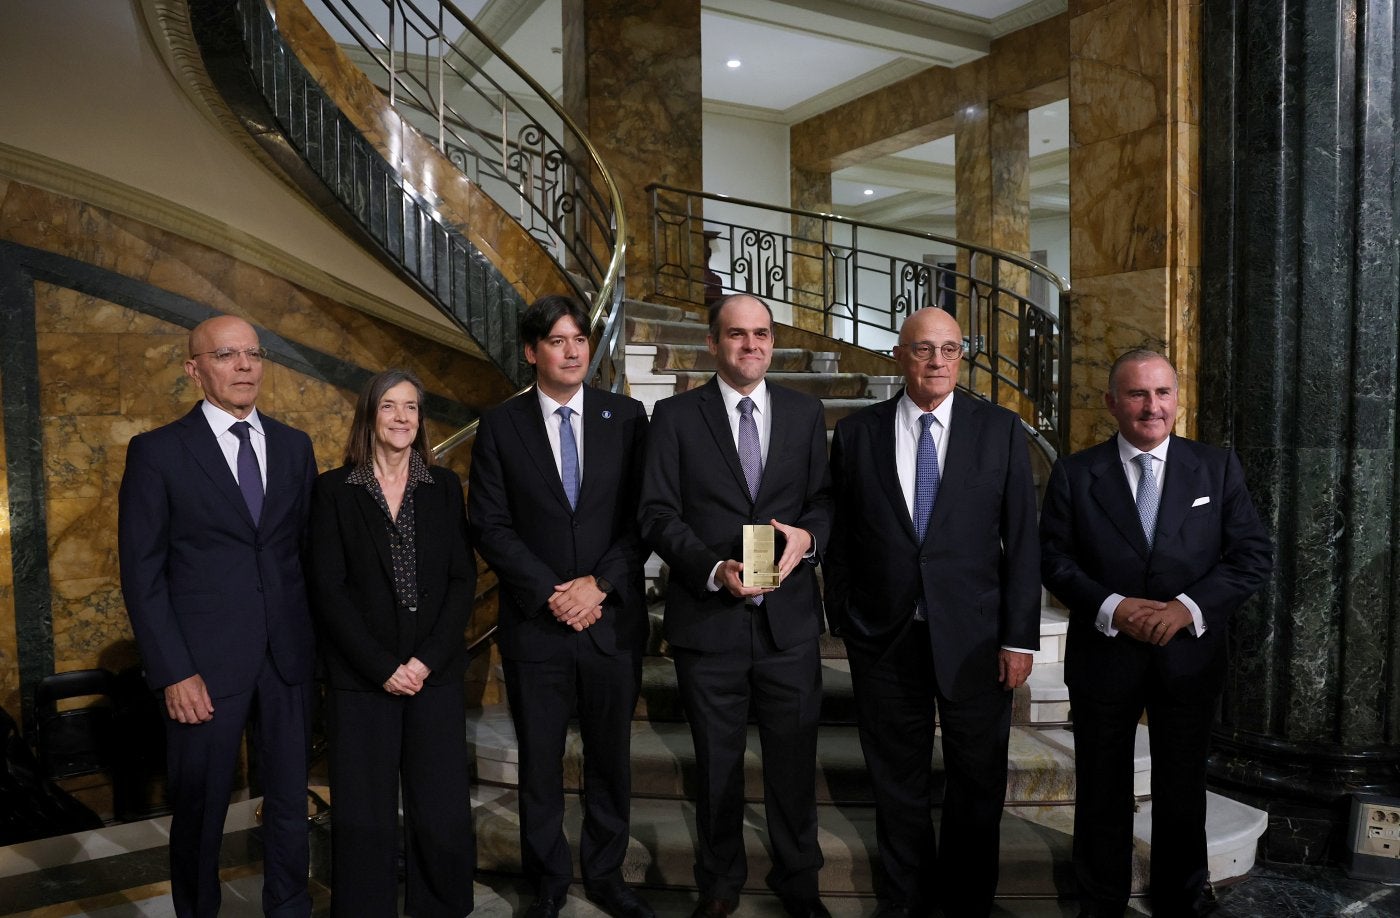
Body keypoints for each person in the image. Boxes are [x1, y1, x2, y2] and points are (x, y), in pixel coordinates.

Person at [823, 306, 1040, 917]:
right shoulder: (858, 432)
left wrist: (1020, 637)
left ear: (961, 355)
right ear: (899, 355)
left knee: (977, 779)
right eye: (923, 349)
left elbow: (1022, 540)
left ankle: (966, 901)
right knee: (897, 782)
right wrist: (842, 613)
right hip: (883, 636)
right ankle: (904, 900)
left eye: (948, 348)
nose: (936, 360)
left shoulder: (999, 429)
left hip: (976, 637)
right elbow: (843, 534)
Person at [1039, 349, 1272, 918]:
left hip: (1187, 658)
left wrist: (1187, 608)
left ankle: (1180, 902)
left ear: (1177, 399)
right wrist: (1112, 607)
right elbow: (1053, 559)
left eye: (1163, 393)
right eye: (1139, 394)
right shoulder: (1075, 472)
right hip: (1106, 657)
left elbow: (1251, 556)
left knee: (1182, 793)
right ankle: (1100, 901)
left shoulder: (1215, 467)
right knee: (1101, 792)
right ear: (1112, 402)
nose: (1153, 407)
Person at [638, 294, 832, 918]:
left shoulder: (806, 414)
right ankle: (719, 883)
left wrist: (808, 538)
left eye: (762, 335)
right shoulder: (673, 417)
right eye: (737, 335)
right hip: (711, 622)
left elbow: (825, 503)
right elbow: (656, 514)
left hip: (789, 623)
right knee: (717, 766)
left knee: (794, 763)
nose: (752, 346)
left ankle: (798, 880)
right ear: (713, 343)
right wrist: (712, 568)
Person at [118, 314, 317, 918]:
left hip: (287, 660)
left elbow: (305, 554)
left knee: (289, 803)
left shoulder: (293, 444)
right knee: (201, 810)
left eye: (253, 353)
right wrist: (173, 671)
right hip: (201, 667)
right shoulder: (157, 452)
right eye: (227, 355)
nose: (245, 366)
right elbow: (142, 573)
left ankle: (289, 908)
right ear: (194, 368)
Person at [468, 295, 653, 918]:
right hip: (537, 626)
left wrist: (598, 585)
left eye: (579, 339)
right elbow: (489, 524)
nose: (573, 351)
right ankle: (548, 877)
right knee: (540, 763)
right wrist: (553, 591)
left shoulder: (627, 418)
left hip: (610, 621)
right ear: (532, 352)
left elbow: (643, 519)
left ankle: (606, 874)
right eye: (557, 341)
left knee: (610, 760)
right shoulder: (500, 424)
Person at [306, 368, 477, 917]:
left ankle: (442, 908)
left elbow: (461, 581)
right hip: (363, 679)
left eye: (411, 408)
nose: (402, 417)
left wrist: (425, 661)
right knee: (364, 814)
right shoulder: (334, 490)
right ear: (369, 416)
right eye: (389, 406)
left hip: (435, 675)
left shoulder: (444, 487)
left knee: (441, 809)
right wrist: (383, 666)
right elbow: (327, 590)